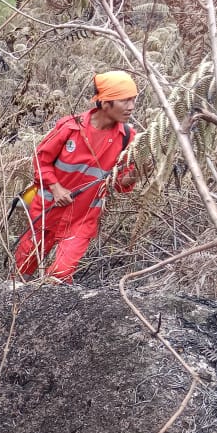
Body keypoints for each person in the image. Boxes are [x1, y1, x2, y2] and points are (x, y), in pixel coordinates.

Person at [12, 70, 138, 283]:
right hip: (47, 211)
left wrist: (141, 170)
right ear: (105, 103)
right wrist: (56, 188)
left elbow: (120, 183)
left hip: (83, 218)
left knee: (60, 275)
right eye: (125, 101)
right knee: (21, 270)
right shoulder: (70, 127)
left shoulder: (128, 138)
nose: (131, 107)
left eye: (133, 100)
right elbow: (41, 160)